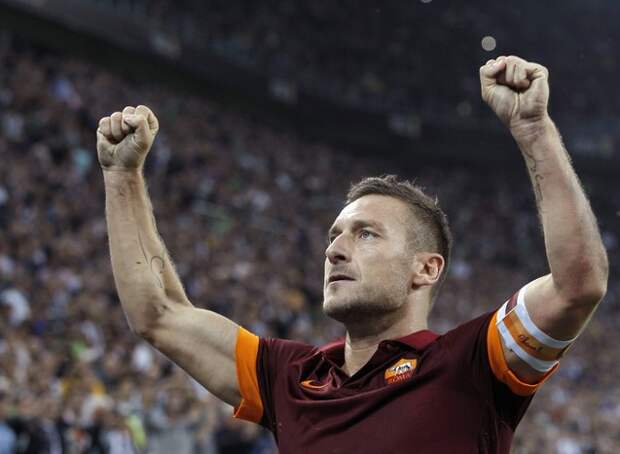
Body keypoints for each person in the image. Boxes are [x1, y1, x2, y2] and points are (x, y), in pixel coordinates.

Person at [96, 56, 608, 453]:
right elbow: (159, 315)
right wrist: (122, 176)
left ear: (426, 268)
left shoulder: (473, 363)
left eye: (366, 235)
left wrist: (534, 130)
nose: (335, 250)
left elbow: (578, 285)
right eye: (334, 236)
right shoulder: (291, 378)